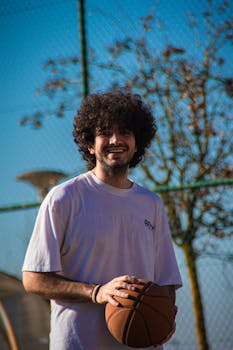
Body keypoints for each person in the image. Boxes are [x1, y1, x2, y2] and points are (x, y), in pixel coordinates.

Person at [22, 90, 182, 350]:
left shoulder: (151, 203)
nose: (116, 140)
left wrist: (164, 316)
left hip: (140, 344)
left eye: (125, 132)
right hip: (78, 343)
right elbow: (33, 279)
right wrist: (97, 292)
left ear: (137, 141)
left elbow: (165, 282)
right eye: (105, 132)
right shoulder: (63, 198)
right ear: (89, 143)